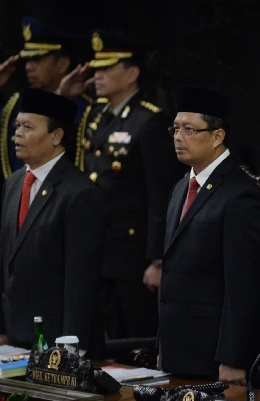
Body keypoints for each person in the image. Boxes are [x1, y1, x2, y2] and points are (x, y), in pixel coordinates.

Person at [63, 30, 183, 340]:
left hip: (133, 258)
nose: (96, 75)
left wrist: (157, 259)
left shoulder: (149, 121)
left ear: (132, 73)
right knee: (107, 341)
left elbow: (160, 196)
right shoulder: (97, 117)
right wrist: (65, 99)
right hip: (100, 252)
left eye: (106, 68)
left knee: (136, 340)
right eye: (96, 68)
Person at [157, 87, 260, 383]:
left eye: (189, 129)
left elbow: (246, 289)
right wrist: (164, 345)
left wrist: (234, 359)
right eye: (175, 128)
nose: (178, 137)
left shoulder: (241, 198)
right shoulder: (181, 188)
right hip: (178, 352)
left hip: (214, 360)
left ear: (218, 136)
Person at [0, 88, 104, 352]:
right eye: (17, 126)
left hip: (55, 340)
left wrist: (71, 346)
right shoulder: (13, 183)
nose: (17, 135)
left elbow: (81, 281)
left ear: (56, 136)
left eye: (27, 127)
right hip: (14, 338)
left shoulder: (79, 193)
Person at [0, 17, 89, 179]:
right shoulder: (16, 104)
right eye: (27, 60)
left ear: (62, 63)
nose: (28, 66)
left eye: (37, 59)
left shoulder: (82, 108)